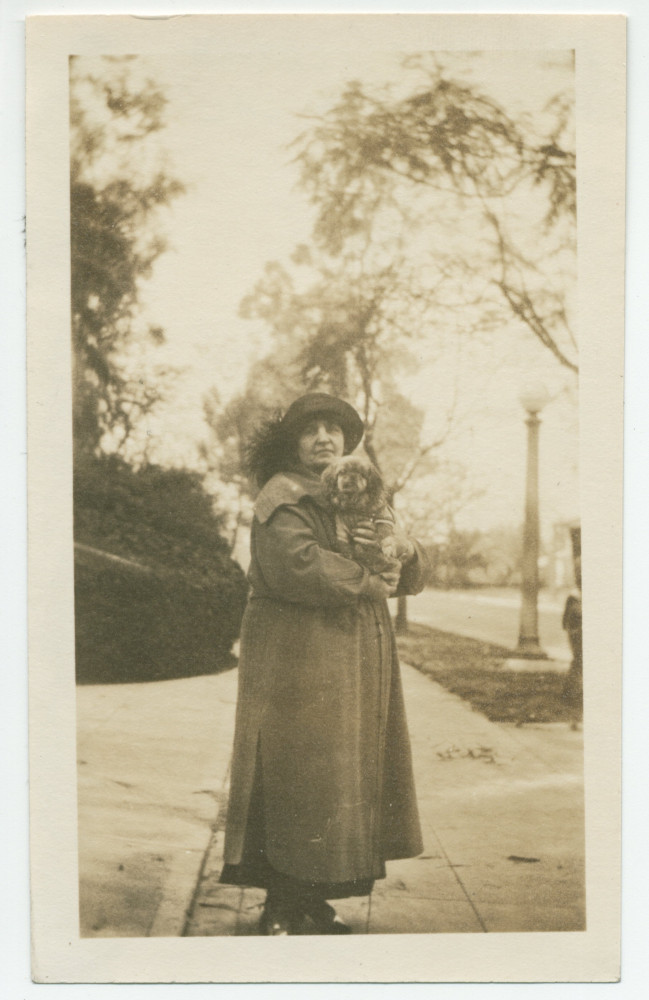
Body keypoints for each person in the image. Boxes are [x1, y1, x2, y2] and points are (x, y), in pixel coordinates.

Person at [219, 392, 429, 935]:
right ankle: (281, 906)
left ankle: (313, 900)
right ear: (292, 442)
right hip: (297, 658)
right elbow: (297, 565)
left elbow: (398, 554)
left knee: (338, 780)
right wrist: (367, 581)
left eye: (334, 430)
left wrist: (406, 554)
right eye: (311, 430)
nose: (324, 439)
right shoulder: (282, 498)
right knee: (296, 774)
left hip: (353, 658)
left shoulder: (360, 491)